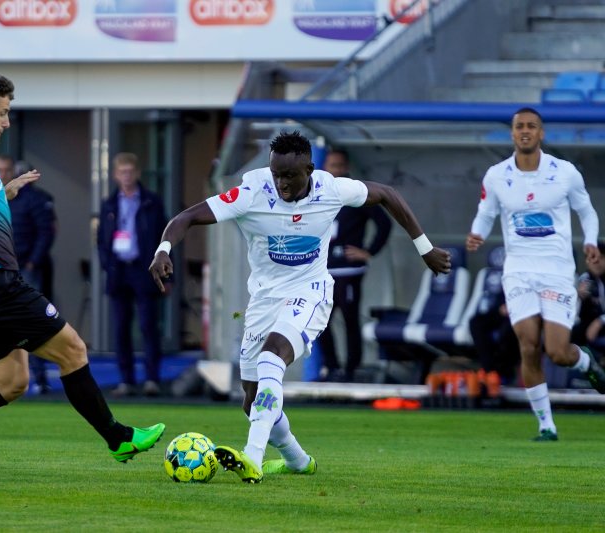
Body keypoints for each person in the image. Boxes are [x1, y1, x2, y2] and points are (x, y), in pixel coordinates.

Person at [0, 73, 164, 479]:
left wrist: (4, 193)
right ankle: (118, 438)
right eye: (2, 113)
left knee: (11, 380)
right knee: (74, 351)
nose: (6, 122)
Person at [150, 130, 450, 483]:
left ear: (310, 169)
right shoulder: (250, 194)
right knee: (252, 401)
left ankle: (252, 457)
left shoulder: (332, 189)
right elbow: (185, 218)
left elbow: (388, 194)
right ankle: (297, 460)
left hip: (311, 292)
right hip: (263, 300)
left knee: (272, 358)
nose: (282, 183)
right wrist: (163, 250)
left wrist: (425, 248)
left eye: (290, 175)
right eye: (277, 174)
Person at [466, 107, 605, 442]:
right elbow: (486, 213)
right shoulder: (497, 175)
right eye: (519, 127)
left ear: (541, 133)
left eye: (531, 126)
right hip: (518, 272)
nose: (525, 131)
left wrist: (589, 241)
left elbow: (586, 211)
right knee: (528, 345)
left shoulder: (565, 172)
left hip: (557, 270)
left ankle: (584, 363)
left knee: (557, 350)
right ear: (512, 134)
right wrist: (477, 233)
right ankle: (546, 425)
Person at [97, 152, 168, 397]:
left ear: (137, 173)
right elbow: (102, 239)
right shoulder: (109, 203)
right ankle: (126, 380)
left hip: (144, 268)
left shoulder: (151, 202)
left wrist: (165, 272)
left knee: (148, 325)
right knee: (120, 327)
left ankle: (151, 379)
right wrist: (107, 264)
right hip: (119, 269)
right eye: (122, 172)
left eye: (130, 171)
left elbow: (164, 236)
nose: (126, 176)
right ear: (116, 175)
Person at [318, 147, 391, 382]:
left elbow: (384, 224)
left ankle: (350, 370)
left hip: (348, 270)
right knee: (319, 322)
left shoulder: (357, 194)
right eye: (333, 166)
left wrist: (368, 252)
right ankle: (331, 367)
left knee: (350, 318)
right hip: (322, 271)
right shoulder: (317, 194)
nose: (337, 170)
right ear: (324, 168)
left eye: (341, 166)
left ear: (347, 167)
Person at [0, 154, 55, 395]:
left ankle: (39, 377)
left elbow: (46, 233)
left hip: (26, 270)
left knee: (33, 322)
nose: (2, 174)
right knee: (0, 324)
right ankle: (4, 376)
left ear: (14, 172)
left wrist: (32, 263)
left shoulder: (33, 199)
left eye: (6, 170)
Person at [572, 242, 605, 355]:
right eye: (592, 258)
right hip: (585, 335)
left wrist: (600, 321)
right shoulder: (585, 280)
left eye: (601, 258)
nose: (596, 262)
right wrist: (578, 295)